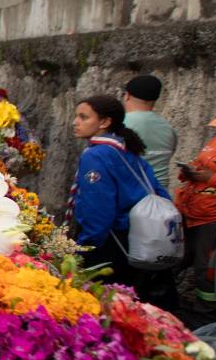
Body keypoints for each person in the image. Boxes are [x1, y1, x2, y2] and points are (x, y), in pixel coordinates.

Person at [71, 94, 170, 287]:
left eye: (83, 117)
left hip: (111, 242)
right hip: (137, 238)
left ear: (105, 122)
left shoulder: (96, 155)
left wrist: (85, 247)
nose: (75, 122)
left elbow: (98, 208)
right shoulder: (125, 149)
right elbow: (158, 190)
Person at [174, 97, 216, 312]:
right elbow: (199, 163)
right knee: (186, 259)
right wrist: (188, 171)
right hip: (194, 214)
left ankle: (211, 313)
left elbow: (211, 175)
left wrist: (209, 177)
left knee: (208, 268)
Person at [122, 74, 177, 187]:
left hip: (130, 195)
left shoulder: (119, 125)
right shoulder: (168, 128)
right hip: (160, 197)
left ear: (127, 96)